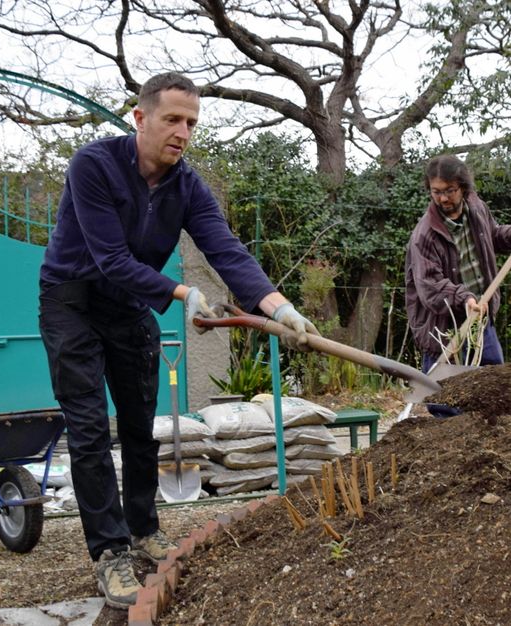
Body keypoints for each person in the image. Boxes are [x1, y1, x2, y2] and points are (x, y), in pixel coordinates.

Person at [37, 72, 318, 609]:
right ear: (139, 118)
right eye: (172, 119)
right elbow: (109, 259)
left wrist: (278, 305)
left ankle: (142, 528)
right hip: (71, 298)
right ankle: (109, 552)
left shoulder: (188, 185)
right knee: (91, 428)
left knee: (142, 426)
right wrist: (181, 291)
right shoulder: (93, 166)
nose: (183, 132)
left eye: (191, 122)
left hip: (128, 304)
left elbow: (227, 251)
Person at [405, 155, 511, 412]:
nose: (443, 198)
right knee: (445, 401)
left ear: (463, 187)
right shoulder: (424, 236)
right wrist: (464, 297)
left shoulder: (476, 208)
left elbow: (492, 236)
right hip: (444, 328)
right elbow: (430, 287)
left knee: (496, 387)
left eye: (450, 191)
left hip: (480, 316)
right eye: (436, 192)